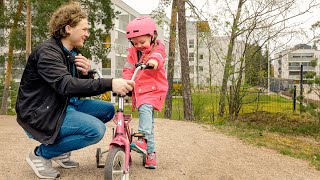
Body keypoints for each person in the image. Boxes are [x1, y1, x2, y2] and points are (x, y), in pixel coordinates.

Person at [15, 1, 134, 179]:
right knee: (96, 130)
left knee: (108, 110)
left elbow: (74, 87)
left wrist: (85, 74)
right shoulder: (48, 53)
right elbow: (66, 85)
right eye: (84, 29)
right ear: (69, 28)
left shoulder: (72, 53)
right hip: (40, 113)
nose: (87, 34)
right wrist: (110, 83)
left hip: (63, 105)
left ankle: (61, 150)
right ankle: (41, 154)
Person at [122, 16, 168, 169]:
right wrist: (126, 83)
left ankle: (141, 139)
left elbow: (159, 56)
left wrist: (153, 62)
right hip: (140, 91)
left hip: (154, 89)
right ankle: (151, 155)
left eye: (142, 42)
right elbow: (128, 69)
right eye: (135, 43)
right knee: (150, 124)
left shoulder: (158, 48)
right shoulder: (133, 53)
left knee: (145, 109)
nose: (139, 45)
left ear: (152, 36)